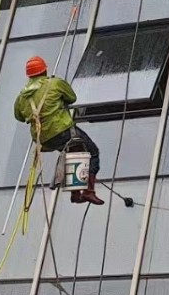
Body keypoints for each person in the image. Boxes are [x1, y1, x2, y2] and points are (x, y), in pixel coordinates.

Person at [13, 56, 104, 205]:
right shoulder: (55, 83)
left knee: (74, 152)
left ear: (29, 75)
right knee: (91, 152)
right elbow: (72, 97)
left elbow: (19, 117)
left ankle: (75, 194)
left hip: (43, 138)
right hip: (61, 130)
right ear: (44, 70)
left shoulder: (22, 97)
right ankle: (88, 191)